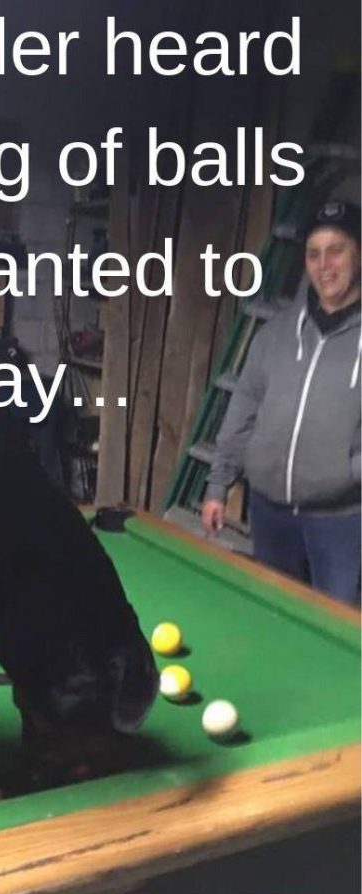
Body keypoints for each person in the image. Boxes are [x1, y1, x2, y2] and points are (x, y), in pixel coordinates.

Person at [202, 200, 361, 604]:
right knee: (273, 621)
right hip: (269, 515)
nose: (324, 265)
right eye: (313, 253)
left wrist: (348, 474)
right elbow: (243, 411)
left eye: (336, 250)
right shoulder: (274, 335)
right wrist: (218, 485)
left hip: (341, 522)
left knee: (336, 631)